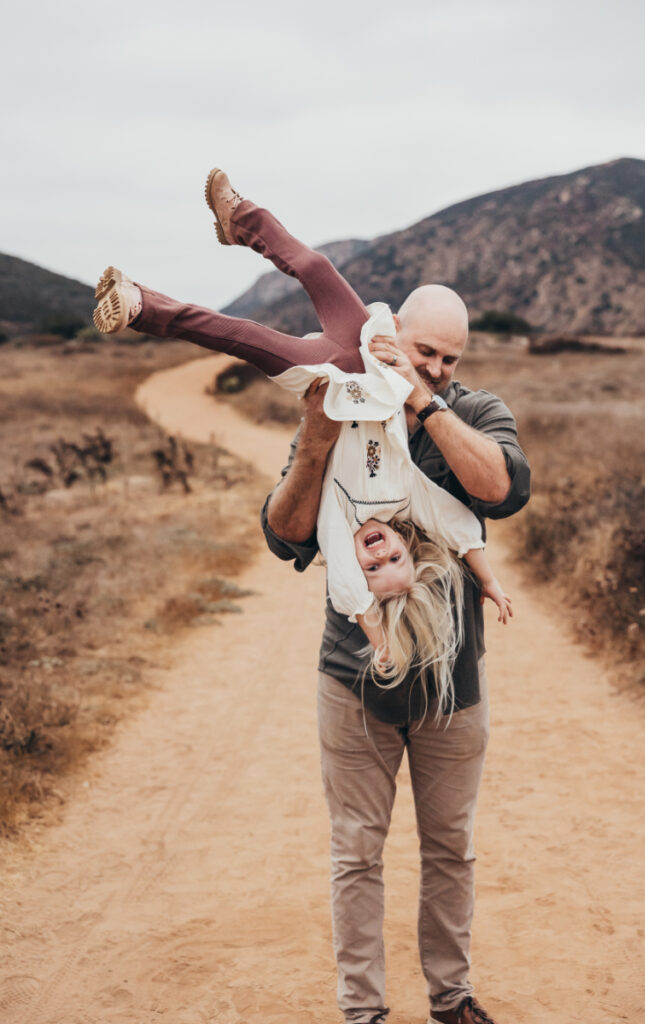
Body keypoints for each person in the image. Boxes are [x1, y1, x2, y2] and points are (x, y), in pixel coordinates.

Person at [93, 170, 512, 715]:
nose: (381, 553)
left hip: (333, 379)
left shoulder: (342, 525)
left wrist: (380, 638)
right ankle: (238, 218)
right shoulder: (410, 497)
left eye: (375, 567)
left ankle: (138, 304)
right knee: (316, 267)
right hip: (361, 338)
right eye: (395, 559)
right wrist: (490, 580)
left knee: (247, 337)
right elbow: (460, 528)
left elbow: (347, 586)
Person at [257, 208, 531, 1019]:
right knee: (356, 855)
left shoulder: (474, 411)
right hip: (353, 680)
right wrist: (312, 440)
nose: (439, 366)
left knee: (452, 850)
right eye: (425, 352)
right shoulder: (340, 405)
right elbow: (284, 536)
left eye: (451, 357)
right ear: (394, 332)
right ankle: (363, 1011)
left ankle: (450, 999)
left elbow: (502, 490)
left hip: (455, 685)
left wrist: (424, 404)